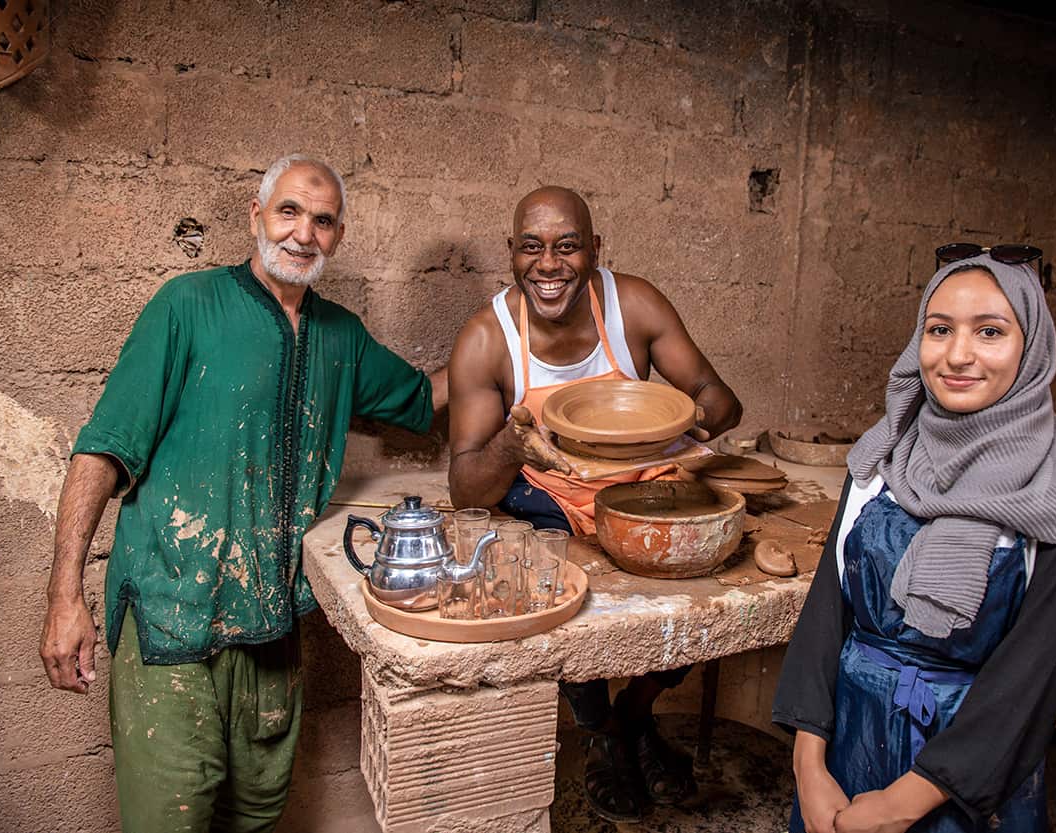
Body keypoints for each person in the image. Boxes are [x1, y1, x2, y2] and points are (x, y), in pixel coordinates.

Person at [39, 154, 446, 833]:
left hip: (273, 637)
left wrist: (510, 349)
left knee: (257, 818)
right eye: (288, 211)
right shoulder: (188, 305)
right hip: (173, 627)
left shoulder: (339, 336)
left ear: (337, 236)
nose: (302, 233)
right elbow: (101, 449)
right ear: (256, 217)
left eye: (321, 220)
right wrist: (64, 595)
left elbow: (422, 399)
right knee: (171, 821)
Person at [773, 251, 1056, 833]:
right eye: (939, 330)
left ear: (1032, 350)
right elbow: (827, 618)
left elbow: (1033, 678)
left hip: (966, 776)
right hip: (846, 749)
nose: (958, 355)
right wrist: (810, 767)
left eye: (990, 332)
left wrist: (902, 804)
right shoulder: (883, 461)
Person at [446, 185, 742, 822]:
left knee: (714, 568)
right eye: (532, 247)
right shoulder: (485, 337)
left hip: (643, 481)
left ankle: (629, 719)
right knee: (559, 590)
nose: (548, 264)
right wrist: (512, 445)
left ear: (594, 251)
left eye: (567, 246)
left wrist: (683, 425)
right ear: (511, 254)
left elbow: (721, 398)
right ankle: (606, 730)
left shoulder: (632, 303)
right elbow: (466, 488)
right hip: (549, 489)